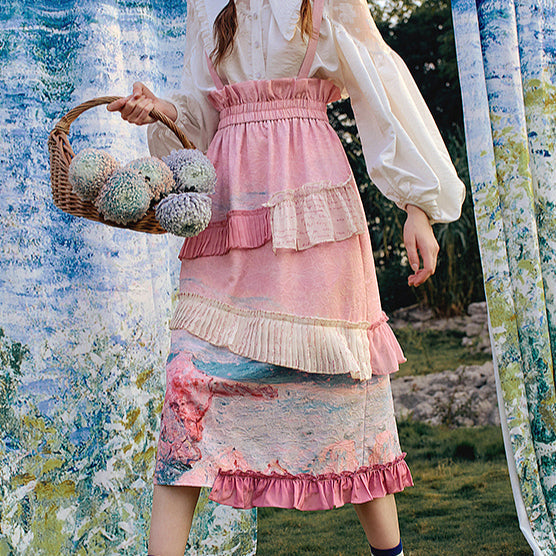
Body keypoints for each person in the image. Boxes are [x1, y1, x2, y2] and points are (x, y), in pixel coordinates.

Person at [108, 0, 465, 554]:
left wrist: (418, 204)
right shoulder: (207, 6)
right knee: (186, 386)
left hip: (313, 213)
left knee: (346, 394)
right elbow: (202, 117)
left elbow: (380, 81)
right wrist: (163, 110)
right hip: (231, 214)